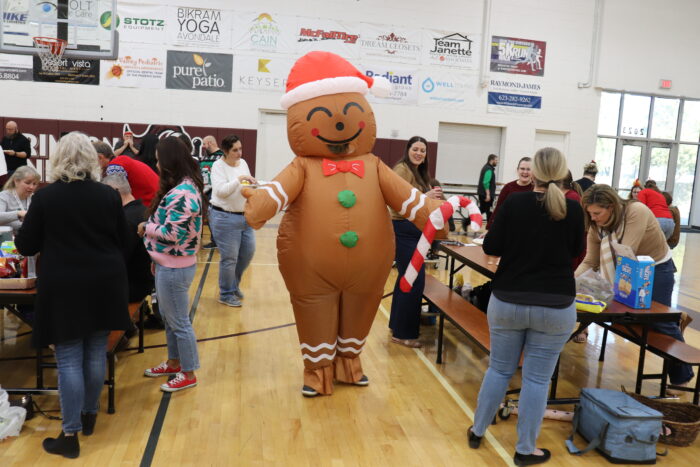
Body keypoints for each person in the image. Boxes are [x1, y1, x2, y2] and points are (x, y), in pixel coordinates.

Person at [15, 132, 131, 459]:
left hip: (64, 284)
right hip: (105, 281)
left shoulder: (46, 198)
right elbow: (123, 239)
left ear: (59, 159)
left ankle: (70, 433)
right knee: (96, 351)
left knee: (67, 358)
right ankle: (89, 414)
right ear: (90, 159)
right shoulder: (108, 196)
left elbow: (26, 245)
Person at [468, 147, 583, 466]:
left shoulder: (515, 202)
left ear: (533, 172)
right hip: (556, 305)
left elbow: (491, 246)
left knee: (499, 369)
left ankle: (478, 430)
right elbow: (578, 252)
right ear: (562, 172)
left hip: (508, 300)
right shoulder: (573, 209)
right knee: (536, 380)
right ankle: (525, 448)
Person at [576, 184, 694, 391]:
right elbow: (590, 260)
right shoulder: (597, 226)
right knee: (627, 320)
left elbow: (626, 254)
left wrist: (604, 288)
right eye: (589, 214)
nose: (593, 218)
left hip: (656, 268)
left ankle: (681, 378)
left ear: (611, 206)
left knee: (660, 320)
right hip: (627, 270)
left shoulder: (635, 211)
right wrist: (570, 283)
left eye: (597, 213)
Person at [140, 136, 204, 393]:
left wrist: (147, 228)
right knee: (170, 318)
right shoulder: (181, 187)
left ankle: (188, 372)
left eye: (158, 160)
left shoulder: (183, 193)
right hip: (169, 263)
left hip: (176, 268)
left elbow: (173, 233)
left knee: (179, 321)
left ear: (168, 161)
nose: (156, 165)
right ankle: (174, 362)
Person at [389, 136, 443, 348]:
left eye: (423, 150)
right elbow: (397, 199)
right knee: (413, 281)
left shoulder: (419, 172)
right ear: (408, 150)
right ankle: (404, 334)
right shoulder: (402, 169)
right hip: (403, 229)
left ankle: (397, 325)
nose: (419, 153)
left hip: (414, 230)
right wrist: (425, 195)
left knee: (406, 278)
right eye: (416, 149)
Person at [209, 135, 256, 307]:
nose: (239, 153)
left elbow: (246, 186)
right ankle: (226, 293)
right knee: (229, 258)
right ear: (225, 151)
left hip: (244, 216)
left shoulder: (242, 163)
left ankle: (233, 285)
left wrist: (253, 185)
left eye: (240, 149)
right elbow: (221, 192)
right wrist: (239, 179)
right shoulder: (218, 166)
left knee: (247, 254)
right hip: (224, 217)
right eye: (235, 150)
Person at [102, 174, 154, 304]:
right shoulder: (144, 210)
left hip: (131, 285)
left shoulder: (126, 220)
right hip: (145, 279)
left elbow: (119, 258)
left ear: (114, 192)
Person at [93, 141, 159, 207]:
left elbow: (114, 197)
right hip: (152, 204)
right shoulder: (120, 161)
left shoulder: (114, 167)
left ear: (100, 157)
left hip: (148, 206)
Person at [487, 156, 532, 229]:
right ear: (517, 170)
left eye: (528, 169)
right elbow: (498, 209)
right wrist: (489, 229)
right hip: (510, 229)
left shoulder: (537, 187)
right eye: (522, 169)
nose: (525, 172)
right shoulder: (508, 187)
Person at [200, 135, 225, 250]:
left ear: (210, 143)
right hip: (205, 192)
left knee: (217, 217)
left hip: (216, 191)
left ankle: (221, 241)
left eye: (204, 144)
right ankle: (215, 240)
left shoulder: (222, 157)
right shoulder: (205, 158)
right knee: (209, 217)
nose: (203, 147)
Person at [0, 165, 40, 233]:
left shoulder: (35, 198)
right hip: (7, 240)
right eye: (27, 183)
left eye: (34, 184)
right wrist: (18, 214)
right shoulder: (3, 196)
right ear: (16, 181)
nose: (31, 187)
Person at [477, 154, 498, 221]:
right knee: (487, 211)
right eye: (496, 160)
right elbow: (486, 182)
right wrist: (488, 195)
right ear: (491, 160)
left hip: (483, 193)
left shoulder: (486, 168)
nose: (497, 162)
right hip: (485, 194)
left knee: (486, 210)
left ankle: (490, 227)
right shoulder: (489, 169)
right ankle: (466, 221)